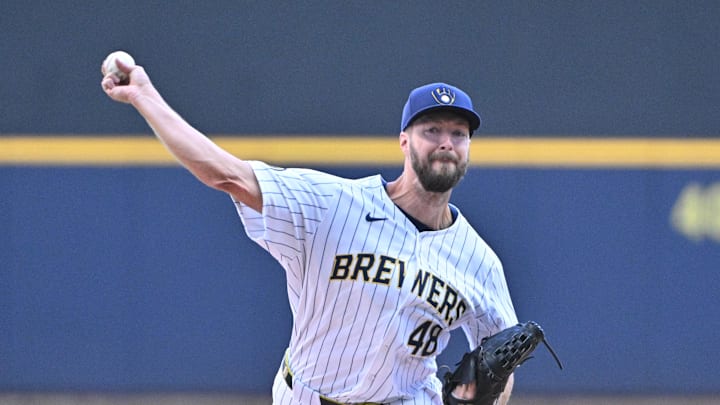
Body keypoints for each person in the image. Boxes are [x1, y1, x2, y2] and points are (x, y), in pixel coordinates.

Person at [101, 59, 518, 405]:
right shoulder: (330, 204)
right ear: (404, 141)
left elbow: (501, 363)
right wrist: (145, 97)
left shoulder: (479, 261)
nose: (446, 142)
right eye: (432, 131)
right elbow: (225, 174)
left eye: (458, 134)